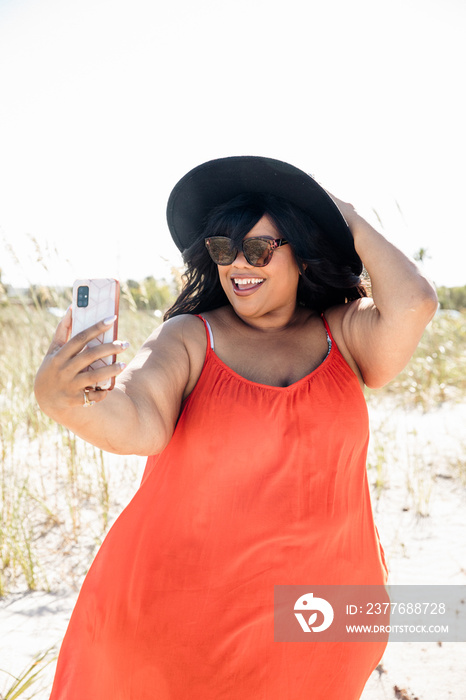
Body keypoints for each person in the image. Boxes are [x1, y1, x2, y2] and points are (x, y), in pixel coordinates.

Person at [34, 156, 438, 700]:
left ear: (302, 253)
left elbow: (414, 302)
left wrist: (347, 219)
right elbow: (138, 418)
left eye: (258, 248)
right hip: (189, 624)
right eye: (223, 249)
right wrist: (69, 401)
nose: (237, 265)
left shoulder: (343, 333)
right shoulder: (189, 337)